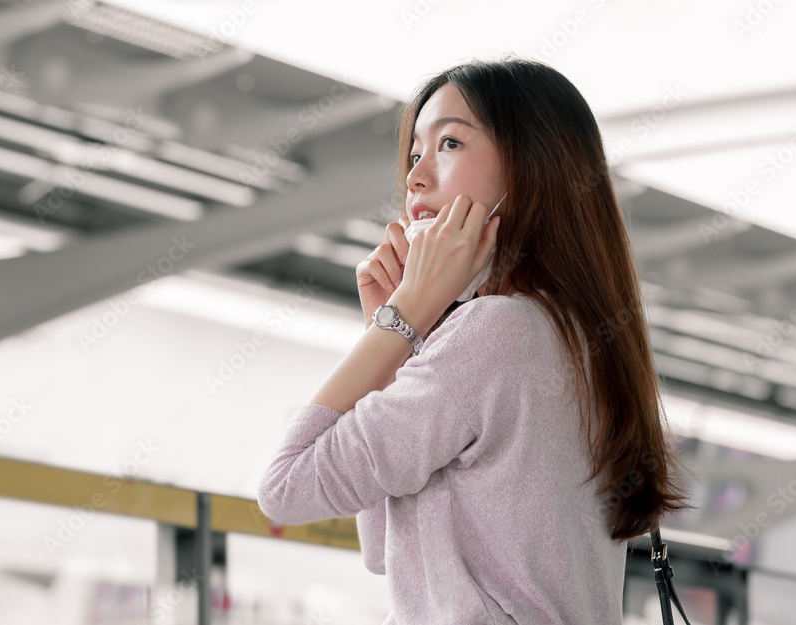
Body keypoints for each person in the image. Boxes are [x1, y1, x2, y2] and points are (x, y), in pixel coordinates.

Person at [257, 55, 694, 625]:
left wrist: (403, 318)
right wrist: (398, 343)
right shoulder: (577, 335)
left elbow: (285, 487)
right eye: (415, 153)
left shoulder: (495, 332)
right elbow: (388, 550)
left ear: (529, 169)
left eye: (450, 144)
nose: (416, 176)